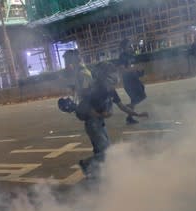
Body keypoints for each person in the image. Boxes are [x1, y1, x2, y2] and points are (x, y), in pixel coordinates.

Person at [62, 50, 148, 179]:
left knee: (101, 150)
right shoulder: (97, 90)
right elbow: (86, 106)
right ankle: (86, 164)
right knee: (107, 152)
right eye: (111, 73)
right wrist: (99, 114)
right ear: (104, 76)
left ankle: (97, 173)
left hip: (99, 124)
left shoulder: (110, 90)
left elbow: (122, 106)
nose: (115, 76)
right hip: (92, 124)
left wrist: (137, 114)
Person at [117, 38, 147, 124]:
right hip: (129, 82)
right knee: (136, 98)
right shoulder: (122, 57)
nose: (131, 47)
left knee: (140, 96)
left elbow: (133, 68)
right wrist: (134, 69)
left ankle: (129, 112)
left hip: (135, 80)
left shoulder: (132, 55)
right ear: (124, 48)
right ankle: (128, 111)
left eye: (131, 45)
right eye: (129, 46)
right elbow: (123, 70)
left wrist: (139, 72)